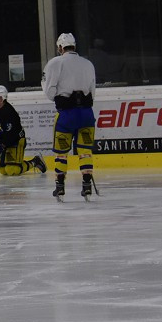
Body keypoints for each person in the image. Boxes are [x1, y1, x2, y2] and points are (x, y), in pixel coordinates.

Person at [42, 33, 97, 199]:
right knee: (85, 150)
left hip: (66, 114)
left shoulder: (54, 63)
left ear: (60, 47)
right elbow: (93, 91)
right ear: (74, 46)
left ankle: (60, 185)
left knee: (61, 152)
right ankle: (86, 184)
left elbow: (49, 92)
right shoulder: (88, 64)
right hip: (87, 114)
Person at [0, 85, 46, 176]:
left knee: (12, 170)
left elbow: (12, 133)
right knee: (2, 170)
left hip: (16, 140)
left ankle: (35, 161)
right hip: (5, 142)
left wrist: (3, 145)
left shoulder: (10, 112)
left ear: (0, 98)